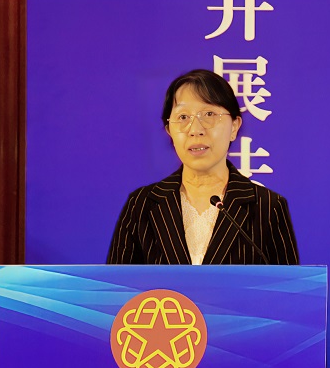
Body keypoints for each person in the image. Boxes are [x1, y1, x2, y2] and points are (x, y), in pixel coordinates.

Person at [107, 69, 299, 265]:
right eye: (183, 117)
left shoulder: (267, 206)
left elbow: (288, 283)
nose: (195, 130)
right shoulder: (141, 205)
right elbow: (117, 283)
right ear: (169, 130)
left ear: (234, 126)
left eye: (209, 114)